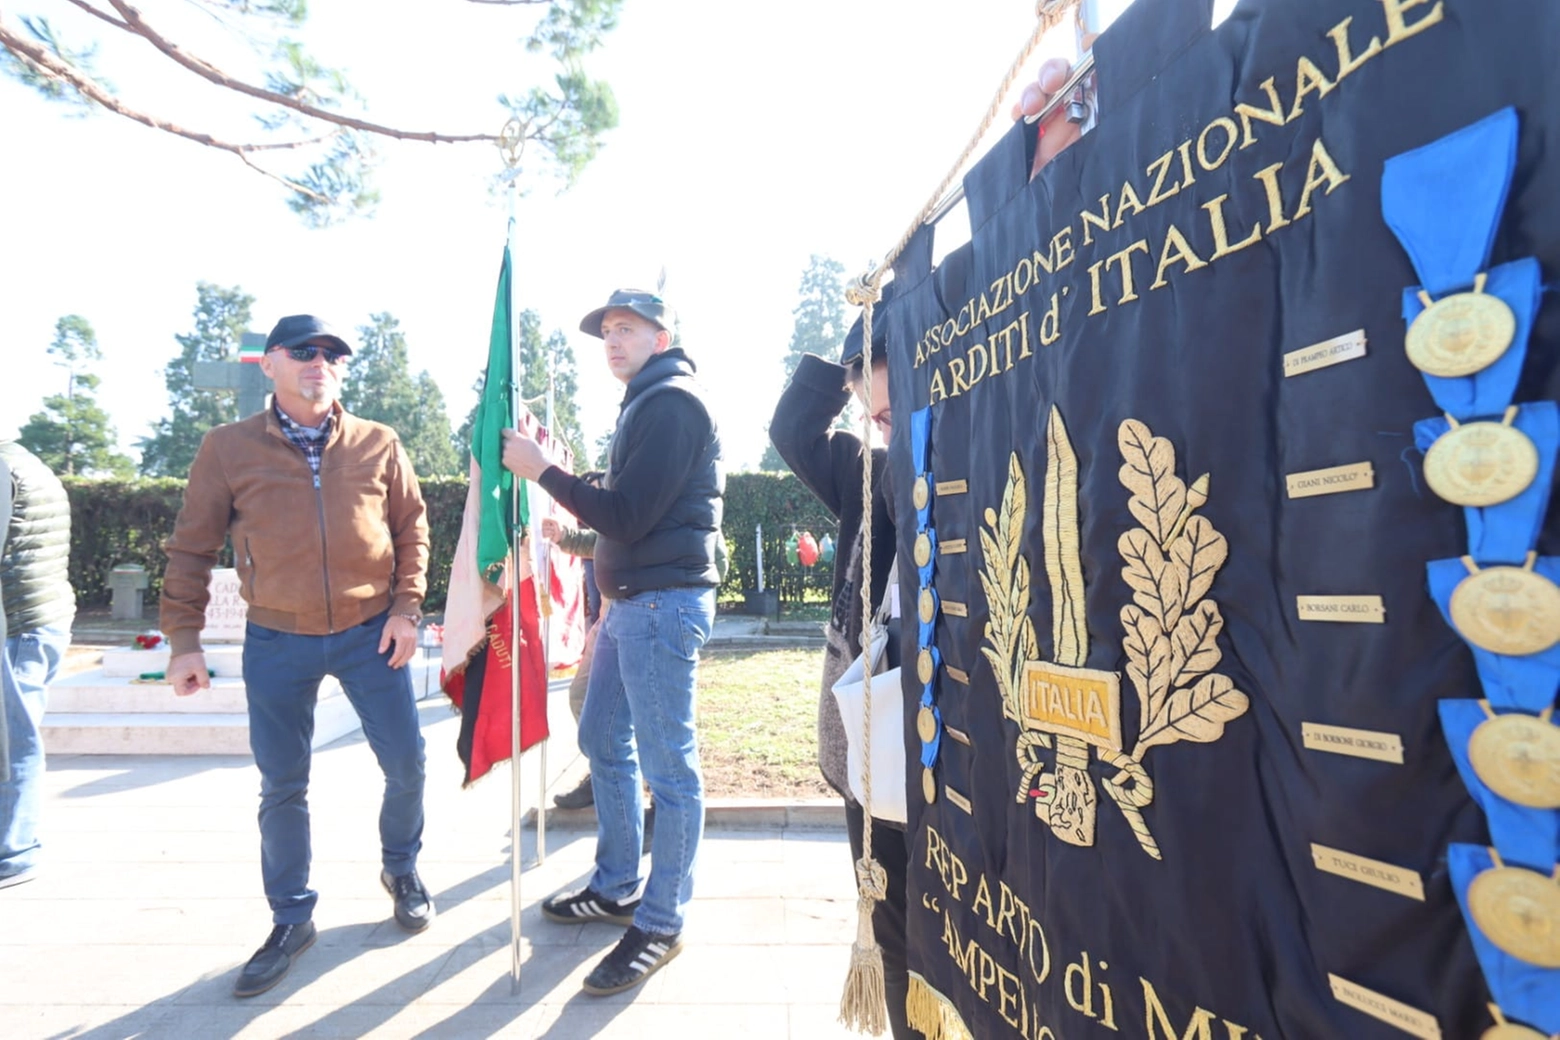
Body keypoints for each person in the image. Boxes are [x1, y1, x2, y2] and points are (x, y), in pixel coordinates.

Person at [160, 314, 433, 998]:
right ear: (270, 364)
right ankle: (291, 918)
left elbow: (411, 527)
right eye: (305, 352)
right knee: (283, 783)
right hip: (277, 639)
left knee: (406, 762)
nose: (321, 363)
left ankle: (401, 868)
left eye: (333, 354)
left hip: (373, 634)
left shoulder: (379, 442)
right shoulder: (227, 448)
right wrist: (185, 643)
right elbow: (192, 547)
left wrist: (405, 610)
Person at [501, 288, 723, 997]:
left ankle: (661, 920)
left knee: (670, 771)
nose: (613, 341)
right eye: (606, 332)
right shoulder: (644, 404)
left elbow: (626, 514)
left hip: (662, 606)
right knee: (602, 740)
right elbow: (629, 514)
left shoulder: (672, 404)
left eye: (628, 329)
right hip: (635, 606)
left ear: (662, 337)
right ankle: (620, 884)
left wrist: (546, 472)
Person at [769, 288, 910, 1037]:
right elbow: (792, 427)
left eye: (894, 411)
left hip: (945, 754)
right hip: (869, 747)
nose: (883, 429)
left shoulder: (985, 459)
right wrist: (860, 336)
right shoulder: (868, 475)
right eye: (874, 416)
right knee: (889, 925)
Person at [0, 439, 76, 891]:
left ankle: (15, 852)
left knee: (13, 742)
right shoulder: (25, 461)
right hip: (35, 618)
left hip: (17, 623)